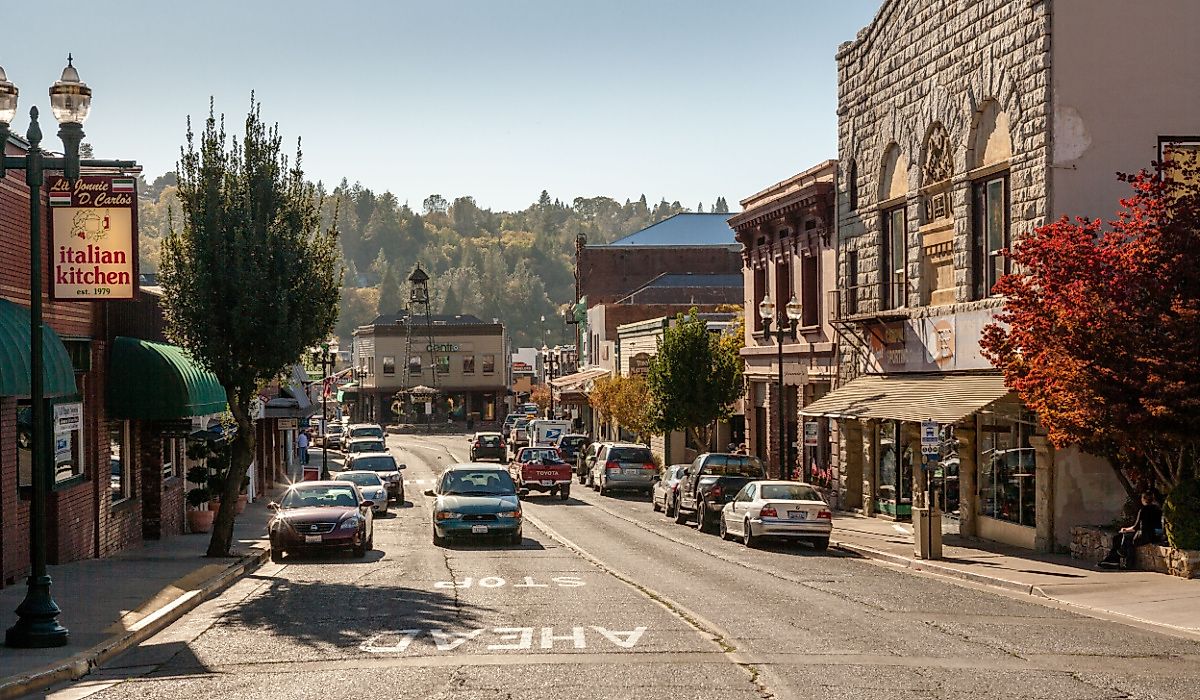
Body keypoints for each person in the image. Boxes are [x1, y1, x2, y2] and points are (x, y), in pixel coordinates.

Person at [1099, 491, 1162, 570]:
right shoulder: (1158, 510)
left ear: (1144, 499)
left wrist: (1125, 529)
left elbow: (1136, 527)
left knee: (1127, 537)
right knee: (1118, 538)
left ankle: (1124, 557)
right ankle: (1114, 559)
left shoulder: (1143, 510)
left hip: (1145, 535)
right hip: (1155, 535)